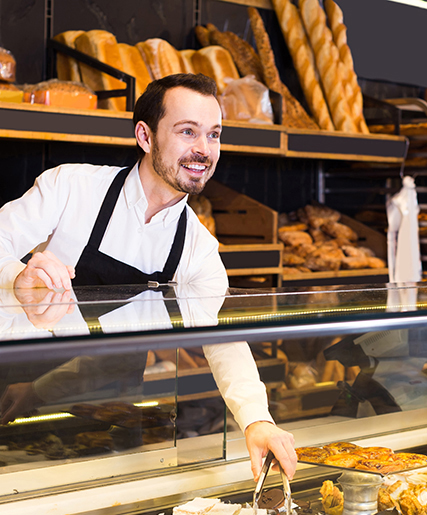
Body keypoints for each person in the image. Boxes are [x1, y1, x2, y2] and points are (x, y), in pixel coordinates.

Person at [0, 73, 296, 481]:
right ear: (145, 135)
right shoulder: (71, 188)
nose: (203, 150)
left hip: (109, 416)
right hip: (8, 393)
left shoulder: (198, 249)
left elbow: (222, 340)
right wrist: (18, 275)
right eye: (187, 131)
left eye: (213, 134)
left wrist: (256, 420)